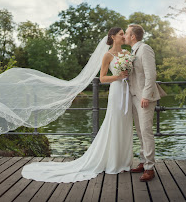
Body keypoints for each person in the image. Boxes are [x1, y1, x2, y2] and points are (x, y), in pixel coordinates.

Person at [21, 27, 134, 183]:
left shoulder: (127, 54)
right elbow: (102, 78)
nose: (124, 36)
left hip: (127, 92)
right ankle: (113, 162)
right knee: (114, 124)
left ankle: (124, 162)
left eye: (124, 34)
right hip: (116, 92)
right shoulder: (107, 55)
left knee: (126, 124)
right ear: (113, 37)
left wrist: (127, 76)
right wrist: (118, 76)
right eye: (121, 34)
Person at [124, 24, 166, 182]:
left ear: (133, 36)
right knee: (140, 132)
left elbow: (151, 74)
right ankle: (143, 161)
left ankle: (149, 168)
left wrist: (146, 96)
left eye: (127, 33)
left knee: (146, 131)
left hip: (144, 98)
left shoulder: (145, 49)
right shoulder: (132, 51)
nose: (125, 36)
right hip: (134, 96)